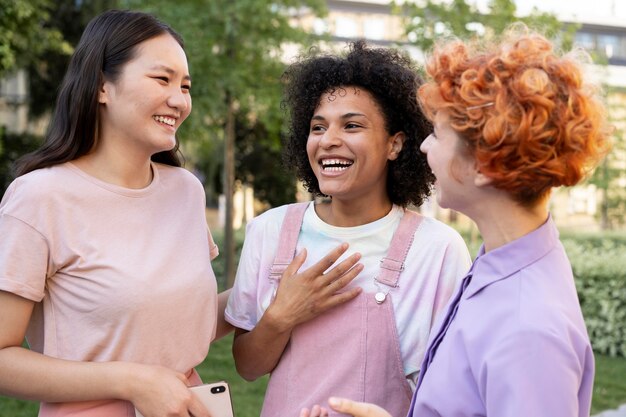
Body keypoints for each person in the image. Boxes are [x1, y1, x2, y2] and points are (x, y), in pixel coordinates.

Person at [304, 26, 612, 417]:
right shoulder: (501, 267)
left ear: (484, 163)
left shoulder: (527, 329)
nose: (424, 146)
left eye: (438, 133)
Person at [0, 9, 232, 417]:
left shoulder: (185, 191)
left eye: (186, 86)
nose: (179, 100)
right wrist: (132, 381)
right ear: (102, 87)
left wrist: (270, 294)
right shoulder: (39, 197)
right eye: (162, 79)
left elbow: (172, 320)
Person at [225, 40, 471, 417]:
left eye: (351, 125)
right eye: (318, 127)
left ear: (395, 144)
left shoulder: (436, 249)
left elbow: (451, 391)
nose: (328, 140)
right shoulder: (270, 230)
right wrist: (282, 314)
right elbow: (248, 366)